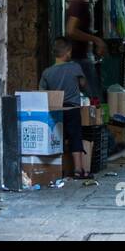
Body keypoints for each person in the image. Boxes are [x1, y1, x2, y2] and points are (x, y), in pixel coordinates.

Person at [39, 38, 89, 179]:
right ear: (67, 52)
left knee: (56, 138)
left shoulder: (47, 72)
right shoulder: (74, 67)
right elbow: (83, 84)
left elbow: (41, 91)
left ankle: (56, 169)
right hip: (72, 108)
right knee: (75, 137)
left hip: (55, 110)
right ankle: (79, 169)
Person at [66, 0, 106, 102]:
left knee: (92, 97)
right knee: (94, 97)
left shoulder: (80, 2)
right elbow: (71, 30)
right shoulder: (78, 4)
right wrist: (95, 39)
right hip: (80, 58)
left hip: (81, 57)